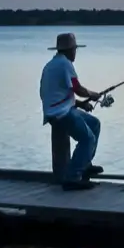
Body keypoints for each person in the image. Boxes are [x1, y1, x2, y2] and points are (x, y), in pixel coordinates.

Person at [40, 32, 104, 189]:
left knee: (94, 124)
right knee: (87, 139)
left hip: (57, 110)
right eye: (74, 49)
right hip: (60, 114)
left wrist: (81, 105)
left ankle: (85, 164)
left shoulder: (52, 64)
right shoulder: (65, 64)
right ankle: (72, 177)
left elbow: (61, 93)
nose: (75, 52)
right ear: (69, 50)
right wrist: (92, 95)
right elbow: (77, 88)